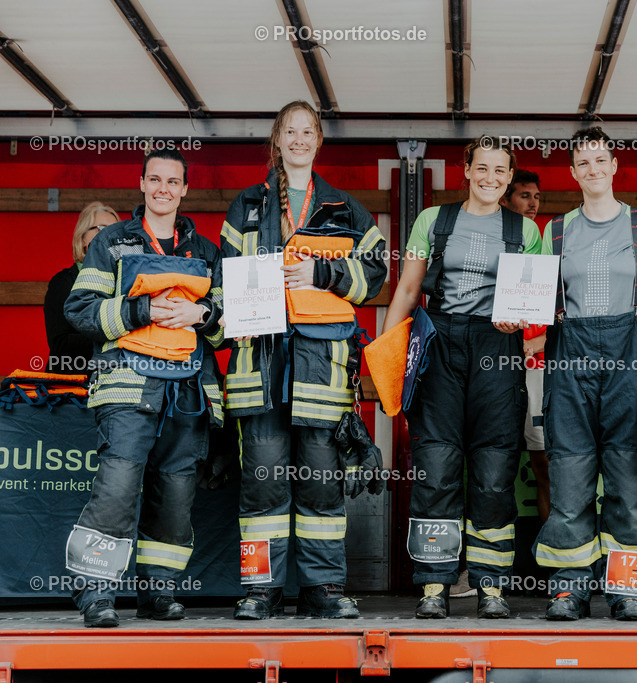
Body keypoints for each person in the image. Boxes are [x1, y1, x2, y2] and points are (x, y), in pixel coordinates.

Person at [221, 100, 387, 620]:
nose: (298, 139)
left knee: (321, 487)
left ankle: (324, 589)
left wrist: (324, 276)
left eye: (306, 131)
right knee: (262, 487)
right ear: (277, 139)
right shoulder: (246, 206)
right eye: (289, 131)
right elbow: (226, 282)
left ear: (319, 141)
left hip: (321, 370)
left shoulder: (344, 207)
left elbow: (376, 274)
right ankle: (259, 590)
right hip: (260, 366)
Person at [383, 136, 542, 619]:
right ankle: (434, 584)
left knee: (495, 470)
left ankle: (492, 585)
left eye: (501, 171)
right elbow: (409, 287)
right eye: (483, 168)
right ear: (467, 170)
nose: (491, 178)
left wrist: (519, 318)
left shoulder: (525, 229)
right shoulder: (435, 220)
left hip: (498, 347)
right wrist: (388, 352)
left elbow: (531, 300)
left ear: (509, 177)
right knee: (436, 464)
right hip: (441, 344)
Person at [63, 149, 224, 627]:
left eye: (173, 182)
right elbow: (80, 310)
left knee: (175, 500)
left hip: (189, 393)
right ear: (141, 184)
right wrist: (141, 311)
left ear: (185, 190)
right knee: (116, 493)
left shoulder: (206, 251)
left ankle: (159, 594)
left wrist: (203, 315)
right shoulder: (111, 243)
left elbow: (228, 327)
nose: (163, 189)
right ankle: (96, 596)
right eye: (155, 180)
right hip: (127, 389)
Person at [535, 127, 637, 622]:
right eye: (584, 164)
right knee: (569, 472)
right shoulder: (552, 232)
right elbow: (530, 299)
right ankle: (569, 588)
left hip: (630, 356)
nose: (593, 170)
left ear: (615, 165)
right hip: (570, 356)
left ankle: (629, 586)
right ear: (573, 173)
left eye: (601, 161)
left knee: (628, 474)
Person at [500, 169, 549, 522]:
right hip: (496, 369)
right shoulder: (494, 244)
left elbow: (565, 311)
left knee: (543, 464)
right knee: (494, 461)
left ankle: (553, 564)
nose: (532, 203)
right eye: (524, 196)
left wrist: (542, 339)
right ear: (505, 199)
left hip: (540, 368)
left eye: (536, 197)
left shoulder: (546, 244)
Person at [44, 202, 120, 374]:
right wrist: (115, 336)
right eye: (100, 229)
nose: (108, 236)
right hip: (71, 383)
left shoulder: (127, 281)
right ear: (82, 238)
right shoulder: (63, 282)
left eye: (115, 230)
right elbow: (61, 344)